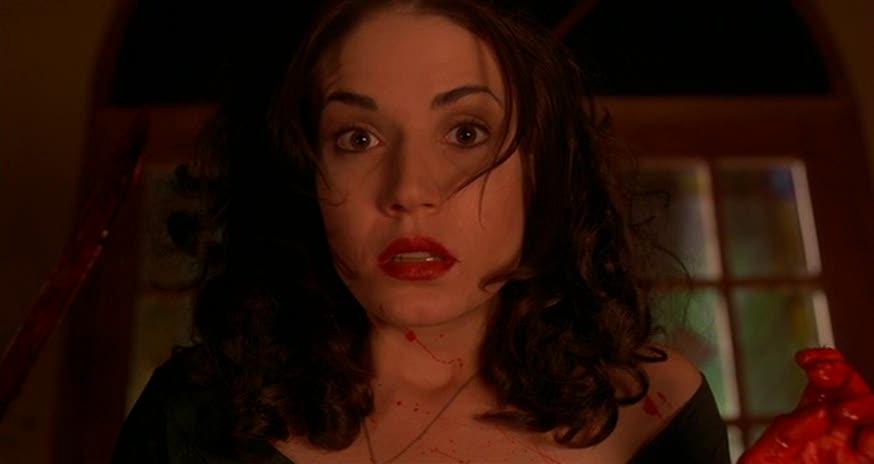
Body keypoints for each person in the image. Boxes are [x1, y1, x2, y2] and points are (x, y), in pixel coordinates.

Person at [112, 0, 733, 462]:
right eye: (358, 138)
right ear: (307, 175)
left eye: (466, 133)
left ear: (543, 171)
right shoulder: (193, 416)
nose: (409, 190)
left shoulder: (658, 413)